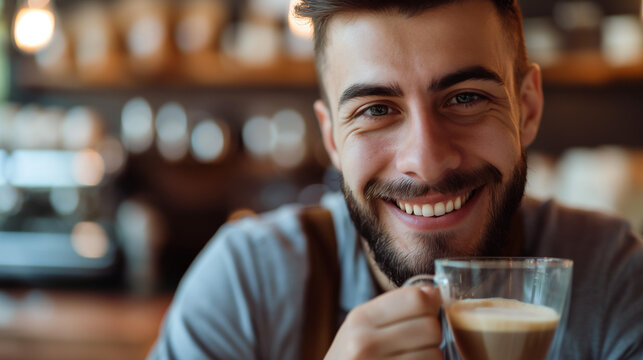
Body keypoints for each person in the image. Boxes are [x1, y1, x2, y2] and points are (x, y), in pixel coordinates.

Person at [149, 0, 643, 359]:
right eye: (377, 110)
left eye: (465, 98)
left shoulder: (613, 277)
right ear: (333, 139)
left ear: (527, 108)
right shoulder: (246, 283)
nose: (426, 163)